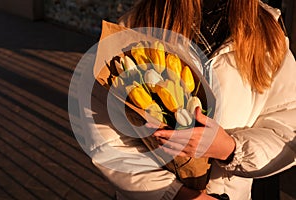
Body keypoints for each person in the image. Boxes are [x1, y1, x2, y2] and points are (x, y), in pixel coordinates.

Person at [90, 0, 296, 199]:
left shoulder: (267, 31)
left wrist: (230, 148)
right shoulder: (138, 22)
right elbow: (105, 136)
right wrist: (174, 194)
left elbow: (286, 129)